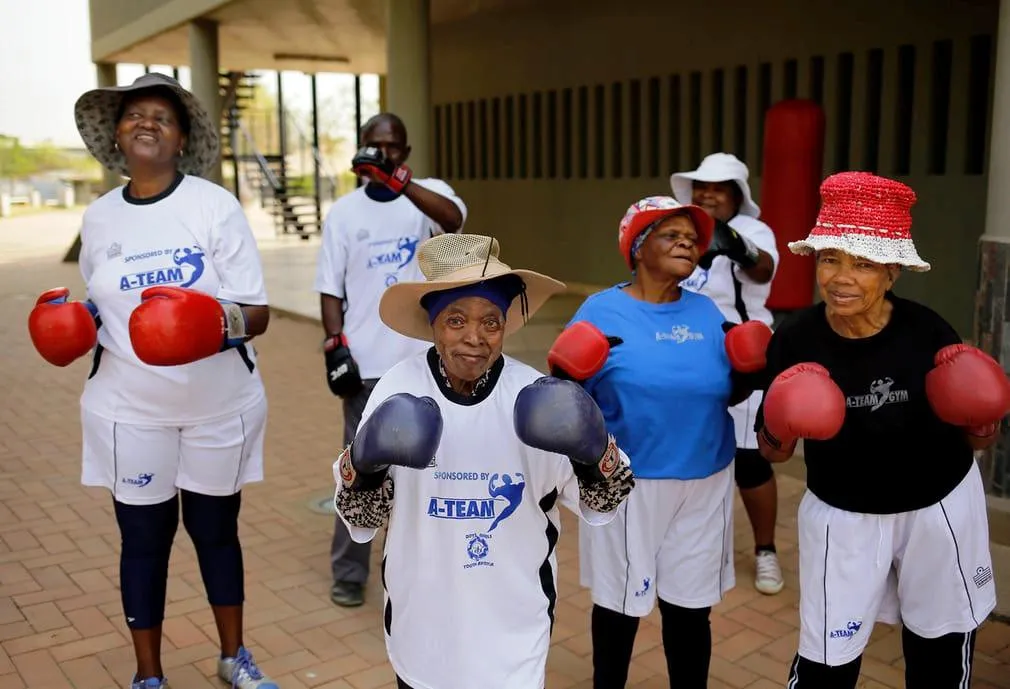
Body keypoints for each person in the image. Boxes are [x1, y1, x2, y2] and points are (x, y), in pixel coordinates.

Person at [28, 73, 278, 688]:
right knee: (144, 539)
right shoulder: (100, 216)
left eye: (162, 117)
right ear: (117, 133)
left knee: (215, 531)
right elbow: (103, 299)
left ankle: (232, 658)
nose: (147, 123)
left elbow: (259, 312)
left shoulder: (213, 205)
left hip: (218, 403)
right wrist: (74, 320)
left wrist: (206, 325)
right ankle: (148, 676)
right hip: (129, 408)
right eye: (135, 114)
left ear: (181, 138)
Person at [330, 232, 638, 689]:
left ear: (505, 326)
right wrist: (365, 462)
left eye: (490, 322)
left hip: (512, 632)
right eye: (456, 320)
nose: (474, 338)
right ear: (433, 324)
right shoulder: (397, 388)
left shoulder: (534, 397)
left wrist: (595, 451)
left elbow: (605, 502)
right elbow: (362, 517)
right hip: (423, 629)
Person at [754, 171, 1006, 688]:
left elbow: (979, 441)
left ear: (892, 272)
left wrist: (984, 417)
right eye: (830, 258)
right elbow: (774, 453)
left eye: (863, 263)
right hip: (842, 514)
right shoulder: (795, 337)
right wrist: (781, 423)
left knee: (940, 649)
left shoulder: (928, 330)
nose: (841, 277)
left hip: (938, 507)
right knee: (826, 661)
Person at [551, 196, 774, 688]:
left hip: (706, 481)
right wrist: (562, 375)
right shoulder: (600, 310)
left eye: (693, 239)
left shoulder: (706, 312)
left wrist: (749, 373)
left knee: (691, 611)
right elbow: (567, 406)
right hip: (627, 482)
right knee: (619, 609)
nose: (687, 244)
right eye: (672, 234)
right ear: (637, 246)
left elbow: (725, 391)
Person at [314, 112, 467, 608]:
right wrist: (335, 343)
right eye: (375, 147)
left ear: (405, 153)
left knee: (430, 468)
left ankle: (421, 569)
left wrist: (400, 184)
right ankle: (349, 573)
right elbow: (329, 288)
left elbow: (454, 221)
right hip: (367, 365)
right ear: (361, 149)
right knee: (360, 470)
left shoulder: (423, 197)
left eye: (393, 147)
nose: (384, 154)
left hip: (425, 360)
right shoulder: (343, 212)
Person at [672, 152, 785, 595]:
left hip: (743, 356)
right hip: (687, 354)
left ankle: (766, 551)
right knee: (694, 454)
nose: (707, 194)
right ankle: (699, 547)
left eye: (718, 188)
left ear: (738, 194)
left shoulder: (755, 231)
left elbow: (764, 270)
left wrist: (733, 242)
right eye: (702, 187)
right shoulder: (682, 229)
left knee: (749, 462)